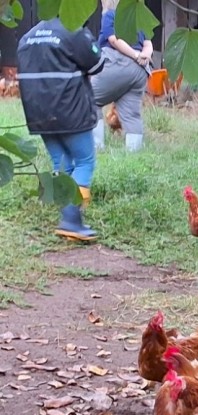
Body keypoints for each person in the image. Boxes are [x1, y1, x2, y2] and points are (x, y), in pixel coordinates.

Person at [17, 17, 105, 241]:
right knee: (85, 161)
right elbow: (97, 63)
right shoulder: (72, 29)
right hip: (70, 112)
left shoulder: (28, 36)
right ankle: (71, 220)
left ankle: (68, 218)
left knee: (61, 162)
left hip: (38, 114)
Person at [91, 0, 153, 152]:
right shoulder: (138, 20)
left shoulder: (110, 15)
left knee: (88, 99)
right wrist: (144, 55)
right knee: (131, 114)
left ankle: (96, 147)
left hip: (117, 64)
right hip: (139, 71)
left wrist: (135, 54)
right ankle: (134, 151)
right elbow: (148, 43)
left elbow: (113, 40)